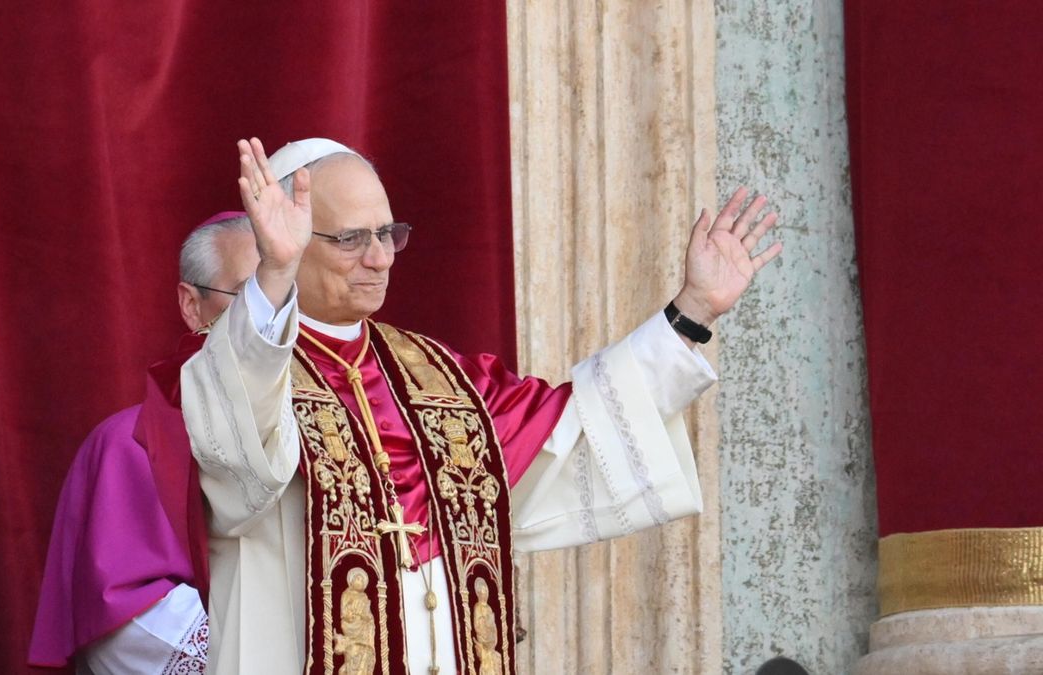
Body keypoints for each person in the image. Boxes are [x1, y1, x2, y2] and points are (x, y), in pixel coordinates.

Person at [180, 137, 782, 674]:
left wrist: (694, 311)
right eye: (351, 239)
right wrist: (275, 275)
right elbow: (236, 461)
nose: (381, 258)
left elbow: (578, 426)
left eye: (388, 234)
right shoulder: (242, 360)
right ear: (289, 238)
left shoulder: (441, 378)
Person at [28, 212, 259, 674]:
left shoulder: (344, 430)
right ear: (192, 305)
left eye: (292, 297)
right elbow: (125, 621)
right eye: (252, 295)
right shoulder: (132, 444)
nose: (275, 319)